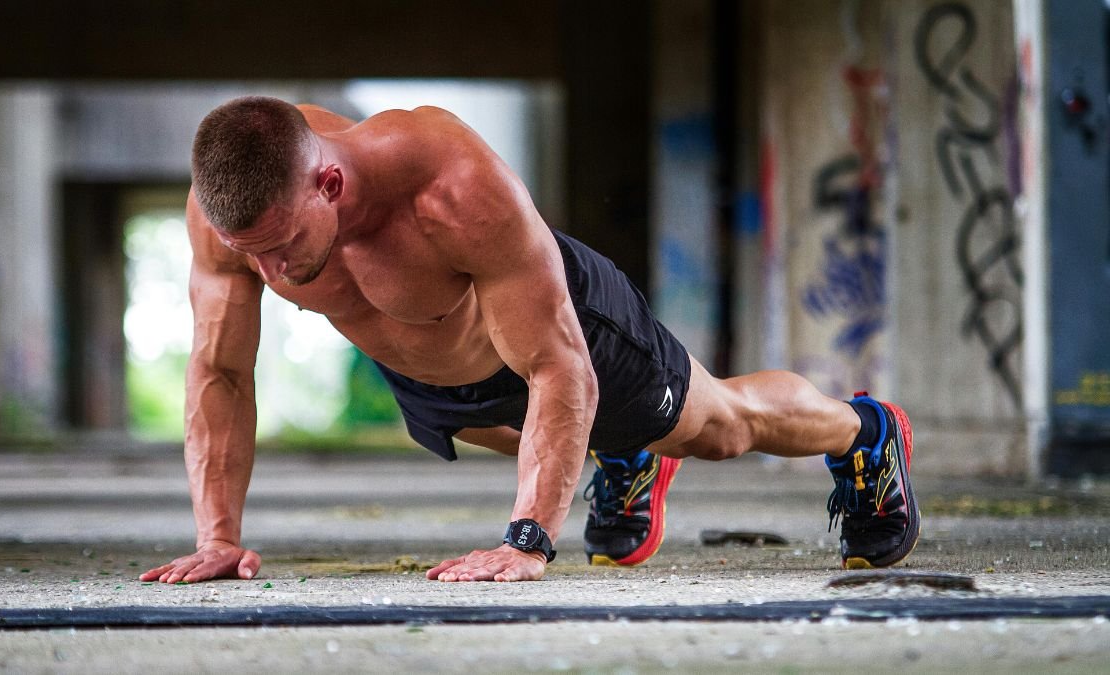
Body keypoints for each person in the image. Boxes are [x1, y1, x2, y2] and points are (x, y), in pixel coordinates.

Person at [140, 96, 920, 585]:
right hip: (440, 371)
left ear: (330, 185)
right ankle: (626, 457)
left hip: (561, 329)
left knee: (719, 427)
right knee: (520, 430)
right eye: (251, 254)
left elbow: (557, 364)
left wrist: (528, 540)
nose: (271, 274)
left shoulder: (450, 186)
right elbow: (220, 372)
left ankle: (865, 434)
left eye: (281, 247)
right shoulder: (234, 216)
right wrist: (218, 536)